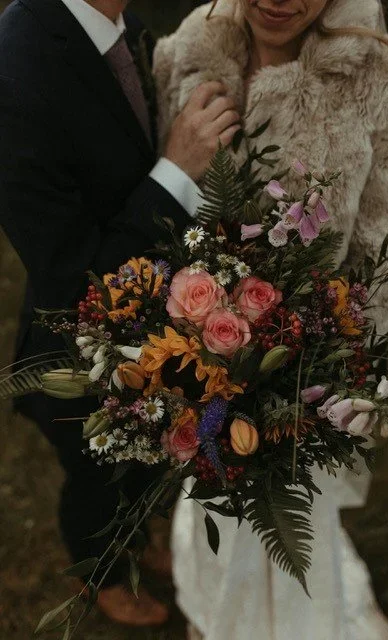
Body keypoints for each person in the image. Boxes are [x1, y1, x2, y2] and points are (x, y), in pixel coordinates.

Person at [153, 0, 388, 637]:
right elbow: (165, 214)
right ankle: (216, 614)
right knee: (213, 510)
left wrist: (322, 376)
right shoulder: (193, 46)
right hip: (197, 362)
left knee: (286, 535)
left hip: (306, 378)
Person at [0, 0, 241, 627]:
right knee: (96, 471)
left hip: (151, 320)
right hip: (77, 344)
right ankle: (100, 572)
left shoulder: (121, 25)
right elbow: (71, 270)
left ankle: (135, 540)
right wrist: (176, 171)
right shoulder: (14, 70)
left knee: (144, 457)